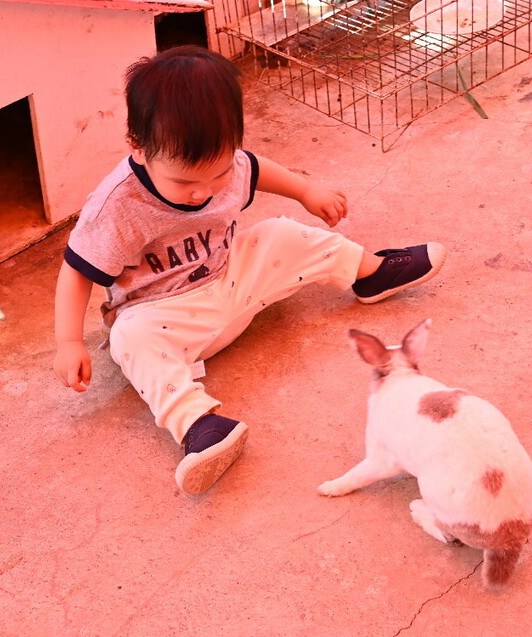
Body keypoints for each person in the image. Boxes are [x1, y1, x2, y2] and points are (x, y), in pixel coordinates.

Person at [53, 46, 446, 496]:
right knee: (129, 339)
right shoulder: (117, 207)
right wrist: (67, 341)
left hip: (230, 280)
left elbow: (256, 170)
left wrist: (305, 189)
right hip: (165, 314)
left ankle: (368, 272)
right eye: (183, 183)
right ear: (138, 147)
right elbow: (76, 271)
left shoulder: (228, 162)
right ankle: (199, 426)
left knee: (281, 234)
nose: (203, 193)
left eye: (217, 176)